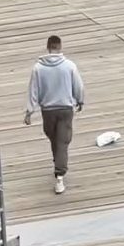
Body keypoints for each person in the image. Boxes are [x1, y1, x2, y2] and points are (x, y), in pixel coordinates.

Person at [24, 35, 85, 194]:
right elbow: (78, 85)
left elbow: (33, 90)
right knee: (63, 141)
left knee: (54, 139)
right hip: (65, 108)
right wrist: (80, 100)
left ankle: (58, 166)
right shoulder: (69, 66)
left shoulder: (38, 68)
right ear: (60, 47)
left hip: (48, 110)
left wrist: (29, 111)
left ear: (47, 47)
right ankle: (60, 175)